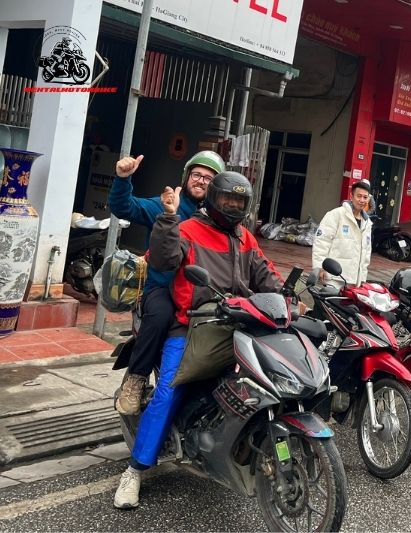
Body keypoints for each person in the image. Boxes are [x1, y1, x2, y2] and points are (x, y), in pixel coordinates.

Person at [113, 171, 285, 509]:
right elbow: (163, 260)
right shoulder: (189, 229)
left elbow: (266, 274)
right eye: (228, 200)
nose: (234, 207)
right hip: (192, 326)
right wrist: (166, 217)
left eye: (240, 202)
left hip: (239, 323)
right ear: (213, 200)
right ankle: (134, 469)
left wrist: (289, 298)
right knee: (170, 390)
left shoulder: (245, 238)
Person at [109, 151, 225, 416]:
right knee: (160, 316)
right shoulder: (166, 204)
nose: (202, 181)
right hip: (162, 289)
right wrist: (123, 179)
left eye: (209, 178)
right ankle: (136, 379)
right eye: (197, 175)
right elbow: (124, 207)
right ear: (187, 177)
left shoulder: (219, 219)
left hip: (201, 292)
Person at [312, 180, 373, 289]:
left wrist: (362, 278)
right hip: (335, 278)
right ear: (351, 196)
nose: (362, 200)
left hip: (355, 283)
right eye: (359, 196)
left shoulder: (367, 224)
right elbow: (321, 242)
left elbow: (366, 255)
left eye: (365, 197)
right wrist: (320, 267)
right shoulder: (336, 215)